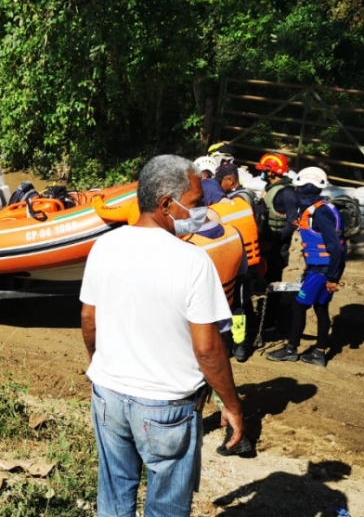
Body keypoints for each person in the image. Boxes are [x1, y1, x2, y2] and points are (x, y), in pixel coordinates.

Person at [80, 154, 244, 517]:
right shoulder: (192, 261)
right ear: (167, 204)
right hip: (166, 407)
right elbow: (208, 350)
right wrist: (231, 404)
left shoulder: (103, 247)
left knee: (114, 497)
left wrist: (100, 365)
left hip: (107, 396)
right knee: (167, 508)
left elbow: (89, 320)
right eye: (197, 203)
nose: (202, 211)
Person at [267, 167, 347, 366]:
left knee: (299, 305)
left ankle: (291, 349)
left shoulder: (319, 214)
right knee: (321, 308)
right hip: (320, 268)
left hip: (322, 271)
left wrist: (332, 278)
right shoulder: (324, 208)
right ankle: (319, 353)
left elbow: (334, 248)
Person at [257, 152, 300, 284]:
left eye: (264, 170)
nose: (262, 172)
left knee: (273, 280)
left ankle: (273, 304)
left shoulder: (286, 193)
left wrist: (274, 242)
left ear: (271, 172)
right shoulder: (270, 188)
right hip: (266, 242)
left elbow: (293, 222)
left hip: (276, 246)